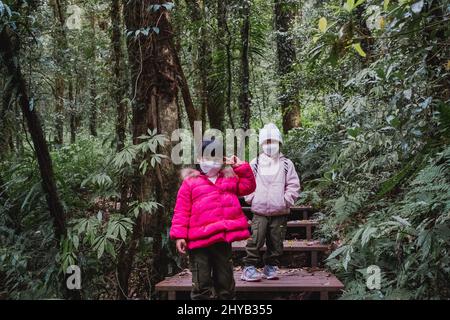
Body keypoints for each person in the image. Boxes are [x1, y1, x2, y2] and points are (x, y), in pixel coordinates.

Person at [170, 139, 256, 299]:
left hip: (221, 240)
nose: (211, 162)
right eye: (207, 157)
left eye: (216, 158)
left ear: (223, 160)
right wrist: (179, 235)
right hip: (197, 243)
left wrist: (240, 166)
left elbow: (248, 187)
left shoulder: (228, 178)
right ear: (198, 159)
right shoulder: (190, 183)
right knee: (201, 283)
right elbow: (181, 210)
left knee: (225, 282)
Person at [241, 123, 300, 281]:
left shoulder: (287, 164)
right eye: (266, 142)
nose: (270, 145)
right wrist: (252, 197)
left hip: (279, 211)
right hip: (259, 211)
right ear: (261, 144)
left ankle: (271, 266)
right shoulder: (255, 163)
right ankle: (250, 267)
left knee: (276, 240)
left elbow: (293, 185)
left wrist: (285, 201)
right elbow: (247, 182)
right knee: (256, 239)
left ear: (279, 143)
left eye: (273, 141)